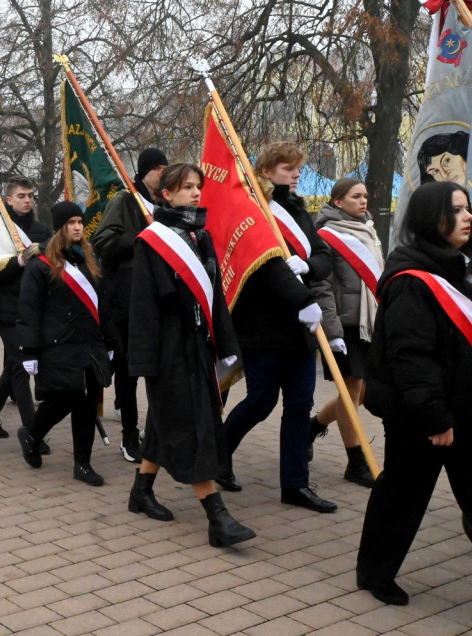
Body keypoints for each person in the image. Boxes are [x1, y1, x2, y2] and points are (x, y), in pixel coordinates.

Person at [357, 181, 472, 636]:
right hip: (423, 416)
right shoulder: (410, 279)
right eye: (457, 211)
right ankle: (374, 572)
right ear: (432, 219)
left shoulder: (470, 267)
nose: (469, 217)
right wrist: (436, 418)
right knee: (402, 495)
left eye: (468, 209)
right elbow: (411, 357)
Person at [126, 164, 255, 546]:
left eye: (198, 186)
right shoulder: (152, 241)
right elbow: (143, 307)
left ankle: (141, 490)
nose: (196, 193)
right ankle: (217, 516)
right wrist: (145, 363)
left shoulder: (203, 236)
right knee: (191, 423)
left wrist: (226, 344)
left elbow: (215, 295)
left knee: (169, 419)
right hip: (169, 349)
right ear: (166, 194)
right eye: (187, 187)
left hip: (199, 343)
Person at [218, 141, 338, 513]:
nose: (297, 174)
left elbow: (323, 256)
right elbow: (265, 269)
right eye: (288, 168)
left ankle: (295, 484)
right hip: (264, 326)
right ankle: (218, 455)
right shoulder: (254, 211)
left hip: (301, 328)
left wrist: (308, 266)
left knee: (300, 406)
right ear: (267, 172)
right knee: (260, 401)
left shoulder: (299, 212)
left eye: (298, 168)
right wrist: (302, 301)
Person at [14, 202, 114, 486]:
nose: (78, 227)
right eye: (71, 222)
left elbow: (102, 304)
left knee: (85, 403)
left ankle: (82, 464)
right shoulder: (40, 265)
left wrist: (109, 340)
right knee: (62, 399)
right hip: (58, 345)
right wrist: (28, 351)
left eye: (80, 222)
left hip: (90, 345)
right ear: (60, 228)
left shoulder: (89, 260)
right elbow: (29, 310)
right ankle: (32, 435)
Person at [91, 147, 168, 463]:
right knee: (127, 372)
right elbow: (103, 242)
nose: (163, 173)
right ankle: (129, 436)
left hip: (158, 300)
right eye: (158, 168)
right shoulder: (125, 201)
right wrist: (141, 236)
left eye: (167, 168)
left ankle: (156, 432)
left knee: (157, 370)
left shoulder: (165, 205)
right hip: (126, 300)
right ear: (145, 172)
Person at [309, 179, 381, 487]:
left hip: (368, 325)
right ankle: (356, 462)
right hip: (344, 327)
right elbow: (322, 285)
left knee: (360, 394)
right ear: (338, 202)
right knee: (350, 394)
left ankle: (311, 428)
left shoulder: (368, 230)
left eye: (365, 196)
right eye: (356, 196)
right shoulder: (327, 235)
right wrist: (332, 329)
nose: (363, 201)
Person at [0, 177, 52, 440]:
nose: (27, 200)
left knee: (13, 365)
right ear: (8, 200)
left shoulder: (41, 231)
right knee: (22, 366)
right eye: (21, 196)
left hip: (31, 308)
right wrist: (18, 261)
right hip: (5, 309)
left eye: (30, 195)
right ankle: (33, 432)